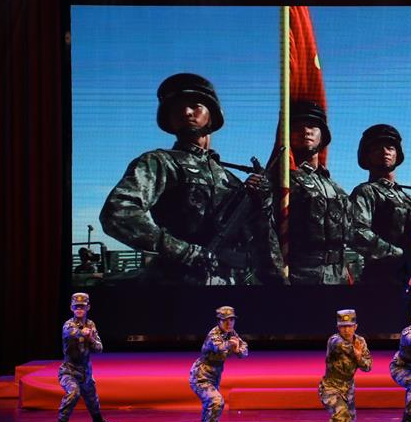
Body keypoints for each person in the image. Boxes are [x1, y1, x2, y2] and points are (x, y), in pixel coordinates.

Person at [100, 73, 283, 285]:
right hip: (178, 282)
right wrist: (184, 252)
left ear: (212, 115)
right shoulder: (161, 162)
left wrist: (263, 204)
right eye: (177, 109)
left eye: (195, 106)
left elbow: (261, 239)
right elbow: (118, 213)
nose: (186, 112)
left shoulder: (232, 180)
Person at [274, 101, 351, 284]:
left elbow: (351, 233)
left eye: (312, 127)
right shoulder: (281, 181)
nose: (306, 131)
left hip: (338, 277)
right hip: (299, 277)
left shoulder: (337, 188)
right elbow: (268, 237)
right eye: (297, 128)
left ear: (323, 136)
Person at [349, 124, 411, 284]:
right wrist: (399, 254)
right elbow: (357, 232)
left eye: (390, 148)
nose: (385, 152)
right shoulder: (365, 192)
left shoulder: (407, 198)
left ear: (397, 154)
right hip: (380, 276)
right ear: (367, 156)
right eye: (377, 149)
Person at [56, 293, 116, 422]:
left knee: (92, 399)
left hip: (86, 372)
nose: (79, 309)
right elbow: (71, 333)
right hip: (69, 371)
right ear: (71, 308)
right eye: (76, 307)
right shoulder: (68, 325)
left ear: (88, 307)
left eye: (82, 307)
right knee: (73, 393)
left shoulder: (91, 325)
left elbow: (99, 348)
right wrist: (82, 333)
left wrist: (91, 339)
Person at [189, 306, 249, 422]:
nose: (229, 323)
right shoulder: (214, 334)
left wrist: (238, 350)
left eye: (232, 320)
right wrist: (232, 344)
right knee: (216, 401)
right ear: (219, 321)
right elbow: (219, 347)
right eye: (225, 320)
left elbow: (244, 350)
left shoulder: (231, 333)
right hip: (200, 376)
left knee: (212, 405)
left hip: (214, 376)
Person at [319, 309, 374, 422]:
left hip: (348, 386)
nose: (346, 330)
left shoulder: (360, 341)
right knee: (340, 413)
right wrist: (357, 354)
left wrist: (359, 357)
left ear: (355, 326)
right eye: (343, 326)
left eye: (349, 326)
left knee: (350, 417)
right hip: (331, 386)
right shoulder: (334, 340)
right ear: (338, 327)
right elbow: (344, 347)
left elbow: (368, 366)